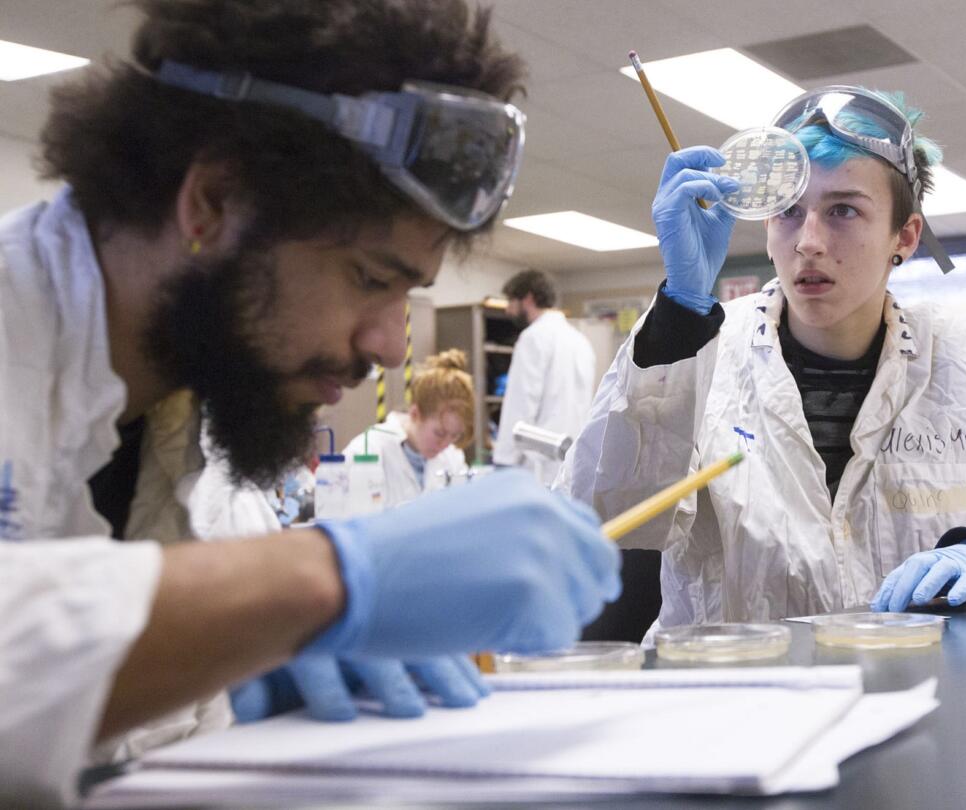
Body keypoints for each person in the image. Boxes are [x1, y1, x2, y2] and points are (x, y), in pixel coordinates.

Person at [0, 2, 620, 805]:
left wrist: (235, 667)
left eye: (406, 294)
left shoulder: (198, 415)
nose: (390, 346)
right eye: (369, 277)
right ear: (214, 201)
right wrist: (320, 582)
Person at [560, 86, 966, 631]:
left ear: (906, 236)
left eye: (843, 210)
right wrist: (681, 312)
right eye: (789, 211)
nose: (809, 240)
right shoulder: (690, 348)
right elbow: (599, 520)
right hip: (737, 704)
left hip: (918, 695)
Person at [493, 269, 596, 484]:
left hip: (537, 466)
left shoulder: (533, 337)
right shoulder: (580, 341)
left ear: (528, 299)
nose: (508, 310)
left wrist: (504, 462)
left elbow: (520, 405)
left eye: (511, 301)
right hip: (572, 462)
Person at [342, 349, 473, 508]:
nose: (445, 444)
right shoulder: (368, 449)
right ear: (415, 414)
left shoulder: (452, 457)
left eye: (454, 436)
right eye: (439, 433)